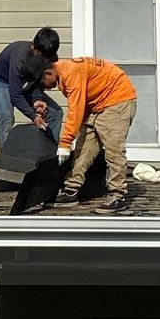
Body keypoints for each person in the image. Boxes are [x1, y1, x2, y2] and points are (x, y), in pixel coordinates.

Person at [40, 54, 138, 210]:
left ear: (48, 73)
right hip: (97, 105)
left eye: (42, 83)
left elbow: (75, 108)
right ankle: (71, 189)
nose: (44, 87)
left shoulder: (70, 73)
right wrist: (82, 126)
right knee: (83, 147)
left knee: (114, 150)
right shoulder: (62, 75)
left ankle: (118, 194)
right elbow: (83, 103)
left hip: (117, 99)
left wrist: (65, 143)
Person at [0, 26, 62, 152]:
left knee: (56, 113)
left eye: (47, 58)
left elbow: (34, 83)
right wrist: (33, 116)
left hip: (22, 84)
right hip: (0, 82)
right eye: (43, 56)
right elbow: (16, 94)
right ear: (34, 48)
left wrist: (37, 100)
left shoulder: (48, 56)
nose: (45, 61)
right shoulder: (19, 56)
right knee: (7, 116)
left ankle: (48, 154)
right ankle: (7, 158)